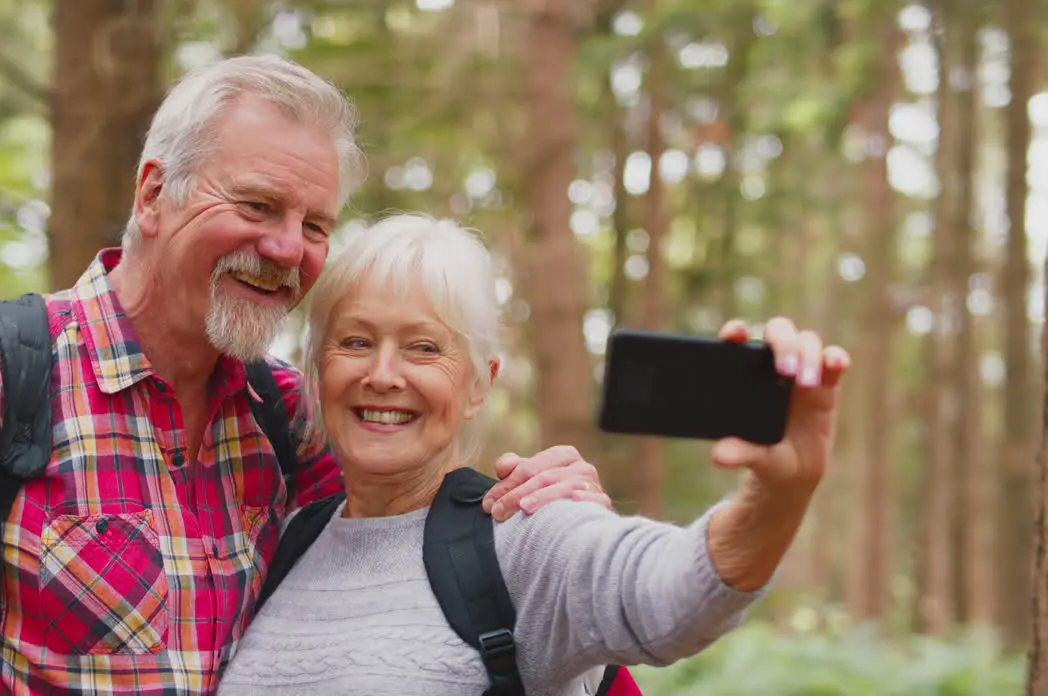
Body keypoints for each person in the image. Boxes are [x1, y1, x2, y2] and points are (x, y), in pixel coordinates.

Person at [0, 56, 609, 695]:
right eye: (255, 206)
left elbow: (417, 548)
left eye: (314, 224)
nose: (287, 248)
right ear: (152, 193)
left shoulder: (292, 420)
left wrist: (546, 504)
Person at [216, 213, 851, 695]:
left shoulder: (523, 530)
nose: (383, 374)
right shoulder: (288, 539)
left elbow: (671, 601)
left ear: (479, 385)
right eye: (355, 341)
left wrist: (779, 494)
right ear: (317, 371)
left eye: (424, 348)